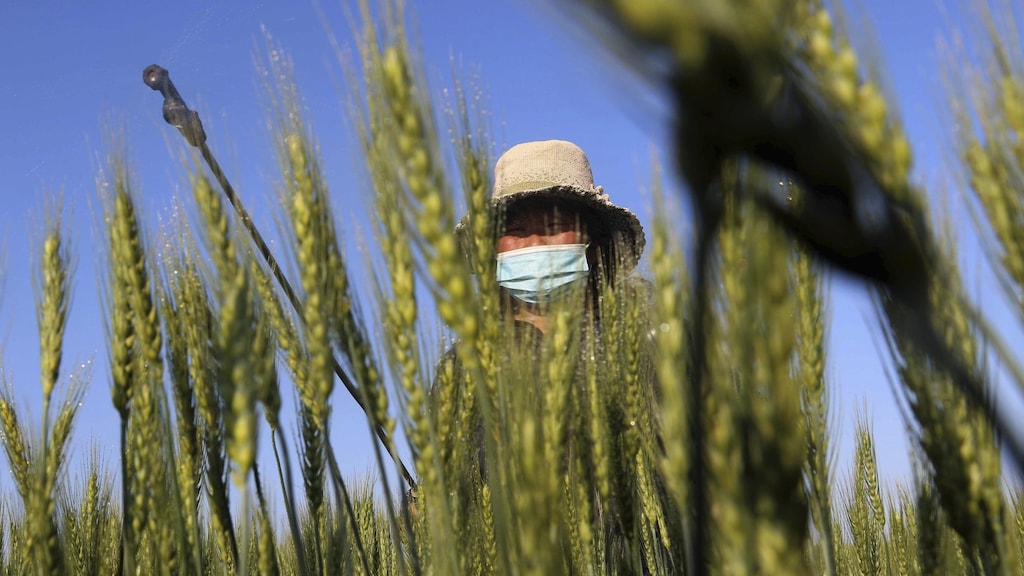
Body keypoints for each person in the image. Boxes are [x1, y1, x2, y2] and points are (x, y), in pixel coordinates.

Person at [430, 140, 679, 573]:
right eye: (516, 227)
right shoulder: (463, 371)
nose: (534, 239)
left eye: (554, 222)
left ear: (592, 240)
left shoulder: (655, 342)